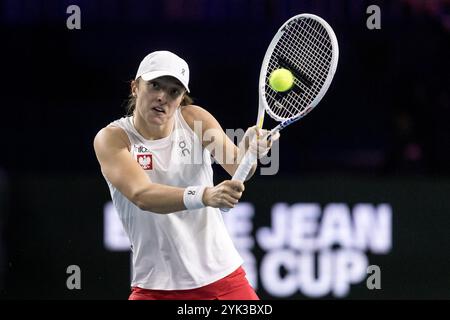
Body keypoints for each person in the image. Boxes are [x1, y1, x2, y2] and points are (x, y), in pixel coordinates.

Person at [93, 50, 279, 300]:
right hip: (155, 287)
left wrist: (249, 149)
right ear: (135, 87)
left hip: (222, 280)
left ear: (182, 98)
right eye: (155, 85)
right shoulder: (113, 139)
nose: (162, 97)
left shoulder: (195, 120)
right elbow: (142, 195)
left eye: (174, 92)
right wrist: (205, 195)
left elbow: (238, 167)